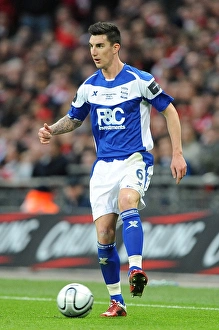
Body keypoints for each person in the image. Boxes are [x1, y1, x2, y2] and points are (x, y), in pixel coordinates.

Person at [38, 22, 187, 317]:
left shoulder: (140, 80)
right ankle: (117, 302)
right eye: (91, 46)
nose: (94, 51)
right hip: (103, 167)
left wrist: (177, 154)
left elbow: (170, 110)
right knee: (104, 234)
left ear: (115, 47)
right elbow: (74, 118)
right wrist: (52, 131)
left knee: (127, 201)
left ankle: (135, 269)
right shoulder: (89, 86)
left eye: (100, 46)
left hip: (135, 158)